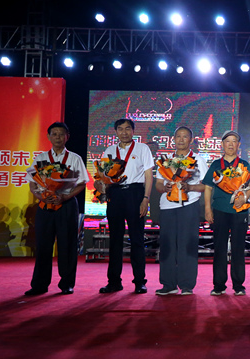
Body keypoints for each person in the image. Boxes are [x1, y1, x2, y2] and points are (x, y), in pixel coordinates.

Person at [24, 122, 89, 295]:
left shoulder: (74, 158)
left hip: (66, 205)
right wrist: (42, 197)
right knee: (43, 245)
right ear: (48, 136)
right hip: (45, 205)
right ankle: (39, 285)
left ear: (67, 137)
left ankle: (67, 284)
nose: (58, 137)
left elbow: (82, 183)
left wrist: (65, 197)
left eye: (61, 134)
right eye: (54, 134)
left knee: (67, 245)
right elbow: (32, 184)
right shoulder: (41, 158)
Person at [95, 118, 154, 294]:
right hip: (115, 194)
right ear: (116, 132)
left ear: (133, 131)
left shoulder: (142, 148)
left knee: (137, 239)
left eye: (128, 128)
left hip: (135, 193)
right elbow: (102, 175)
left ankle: (139, 282)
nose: (124, 132)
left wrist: (145, 199)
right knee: (115, 240)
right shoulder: (110, 150)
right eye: (120, 129)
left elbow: (149, 175)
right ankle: (114, 282)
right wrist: (101, 186)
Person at [155, 127, 207, 296]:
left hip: (189, 206)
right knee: (167, 246)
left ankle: (186, 284)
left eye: (185, 137)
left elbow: (206, 186)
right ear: (173, 139)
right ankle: (168, 284)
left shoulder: (198, 160)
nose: (181, 139)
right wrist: (165, 188)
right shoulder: (166, 160)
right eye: (178, 136)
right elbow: (158, 184)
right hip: (167, 207)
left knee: (188, 245)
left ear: (191, 140)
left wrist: (190, 187)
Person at [202, 130, 250, 296]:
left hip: (239, 211)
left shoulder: (244, 164)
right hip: (220, 210)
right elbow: (208, 187)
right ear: (222, 144)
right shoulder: (216, 165)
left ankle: (238, 285)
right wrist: (208, 209)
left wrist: (244, 198)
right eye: (228, 141)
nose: (231, 144)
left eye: (234, 141)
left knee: (238, 247)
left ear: (238, 145)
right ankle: (219, 285)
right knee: (220, 247)